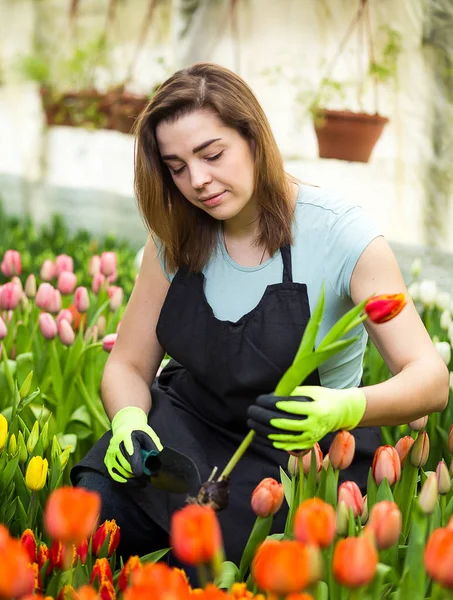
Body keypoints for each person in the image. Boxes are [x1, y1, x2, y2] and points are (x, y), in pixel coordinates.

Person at [72, 62, 449, 568]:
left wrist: (345, 408)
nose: (197, 181)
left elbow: (430, 380)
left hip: (294, 458)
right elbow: (129, 364)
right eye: (177, 167)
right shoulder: (175, 234)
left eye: (212, 154)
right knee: (88, 522)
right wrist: (129, 420)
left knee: (204, 569)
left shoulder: (340, 235)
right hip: (183, 437)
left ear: (254, 138)